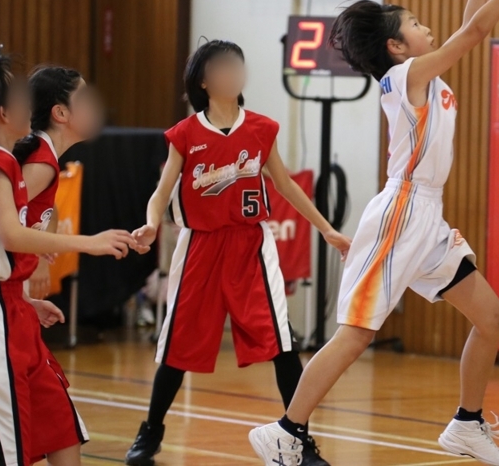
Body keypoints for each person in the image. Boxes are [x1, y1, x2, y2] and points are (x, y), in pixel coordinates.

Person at [250, 0, 499, 466]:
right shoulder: (402, 78)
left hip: (427, 217)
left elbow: (467, 28)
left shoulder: (428, 76)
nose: (426, 25)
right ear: (396, 46)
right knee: (354, 336)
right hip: (400, 211)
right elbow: (474, 33)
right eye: (414, 23)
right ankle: (286, 431)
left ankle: (466, 425)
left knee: (491, 318)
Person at [0, 32, 138, 465]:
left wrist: (15, 295)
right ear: (1, 112)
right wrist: (87, 242)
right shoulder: (2, 163)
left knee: (37, 421)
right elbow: (6, 233)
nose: (28, 107)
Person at [125, 39, 350, 466]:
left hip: (250, 246)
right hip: (199, 247)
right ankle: (150, 432)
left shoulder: (262, 129)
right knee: (177, 346)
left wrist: (328, 230)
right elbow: (161, 193)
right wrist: (153, 223)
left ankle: (297, 439)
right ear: (205, 82)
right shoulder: (186, 134)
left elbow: (285, 186)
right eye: (223, 67)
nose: (233, 73)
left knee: (282, 343)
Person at [10, 65, 106, 465]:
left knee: (62, 425)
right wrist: (84, 243)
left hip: (6, 302)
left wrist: (24, 299)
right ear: (60, 113)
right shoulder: (41, 160)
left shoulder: (45, 156)